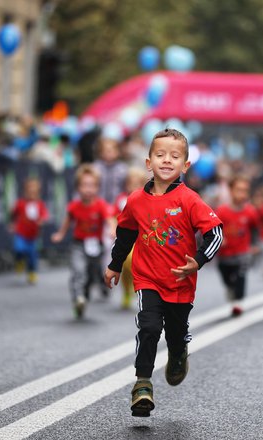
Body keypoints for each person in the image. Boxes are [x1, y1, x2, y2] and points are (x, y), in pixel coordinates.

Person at [103, 128, 223, 417]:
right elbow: (125, 235)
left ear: (186, 165)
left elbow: (216, 233)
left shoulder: (189, 199)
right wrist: (115, 265)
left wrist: (198, 260)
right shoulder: (135, 200)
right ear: (148, 163)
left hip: (180, 282)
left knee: (175, 333)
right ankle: (142, 384)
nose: (167, 160)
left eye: (175, 156)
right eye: (160, 155)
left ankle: (179, 351)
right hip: (148, 279)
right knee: (149, 328)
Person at [52, 164, 113, 319]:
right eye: (84, 185)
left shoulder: (100, 205)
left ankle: (87, 294)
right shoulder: (74, 206)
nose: (88, 189)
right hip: (78, 244)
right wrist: (60, 234)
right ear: (78, 188)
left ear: (98, 188)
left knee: (93, 273)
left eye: (92, 185)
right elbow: (67, 221)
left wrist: (112, 229)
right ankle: (78, 297)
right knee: (78, 271)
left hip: (96, 245)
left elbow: (109, 219)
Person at [215, 175, 260, 317]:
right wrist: (219, 240)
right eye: (238, 190)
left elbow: (255, 230)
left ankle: (238, 302)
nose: (241, 194)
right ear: (230, 190)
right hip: (225, 254)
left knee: (241, 274)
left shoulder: (250, 212)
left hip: (243, 251)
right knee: (226, 276)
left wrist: (254, 245)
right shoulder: (221, 211)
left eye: (245, 190)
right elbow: (213, 229)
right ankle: (230, 288)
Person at [111, 167, 149, 310]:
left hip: (139, 238)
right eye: (130, 183)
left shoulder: (145, 199)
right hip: (124, 237)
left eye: (137, 184)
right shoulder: (121, 199)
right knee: (124, 266)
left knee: (131, 261)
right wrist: (113, 228)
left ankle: (135, 286)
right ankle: (126, 290)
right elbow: (114, 215)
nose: (133, 187)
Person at [10, 178, 49, 284]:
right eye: (29, 191)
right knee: (19, 249)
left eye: (34, 191)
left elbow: (45, 215)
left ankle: (32, 272)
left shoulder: (40, 204)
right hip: (21, 233)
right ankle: (20, 261)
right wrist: (12, 224)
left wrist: (42, 220)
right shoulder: (20, 203)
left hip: (33, 236)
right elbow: (13, 214)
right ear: (25, 191)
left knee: (32, 255)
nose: (31, 193)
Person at [94, 135, 128, 204]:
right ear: (100, 152)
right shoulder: (95, 168)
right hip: (99, 204)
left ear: (118, 152)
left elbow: (125, 187)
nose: (109, 153)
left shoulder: (123, 169)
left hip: (117, 204)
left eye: (112, 150)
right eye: (106, 150)